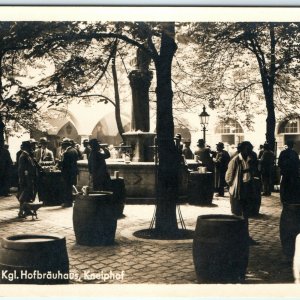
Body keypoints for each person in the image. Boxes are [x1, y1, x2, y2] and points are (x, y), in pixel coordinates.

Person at [225, 141, 259, 245]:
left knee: (246, 214)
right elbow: (228, 177)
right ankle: (236, 238)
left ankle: (245, 237)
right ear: (242, 149)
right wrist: (233, 186)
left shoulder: (249, 159)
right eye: (248, 149)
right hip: (237, 190)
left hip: (247, 189)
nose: (250, 151)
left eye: (250, 148)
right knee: (237, 215)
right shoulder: (235, 160)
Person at [17, 141, 39, 217]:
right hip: (26, 179)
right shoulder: (24, 156)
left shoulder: (27, 155)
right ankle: (21, 212)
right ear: (27, 147)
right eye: (30, 147)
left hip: (29, 178)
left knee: (28, 195)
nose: (32, 148)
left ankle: (27, 211)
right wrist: (23, 178)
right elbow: (21, 169)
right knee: (24, 196)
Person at [60, 138, 78, 208]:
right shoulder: (74, 150)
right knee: (70, 187)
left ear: (65, 145)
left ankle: (68, 202)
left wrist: (60, 163)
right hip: (73, 172)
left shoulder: (67, 152)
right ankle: (70, 202)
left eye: (62, 145)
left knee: (67, 188)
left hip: (67, 173)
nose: (62, 146)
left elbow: (65, 164)